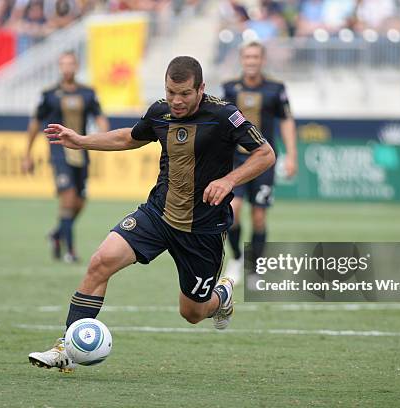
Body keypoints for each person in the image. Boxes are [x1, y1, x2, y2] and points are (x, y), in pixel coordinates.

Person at [28, 56, 275, 372]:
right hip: (158, 214)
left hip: (203, 229)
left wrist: (229, 180)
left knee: (193, 313)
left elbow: (265, 153)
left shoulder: (224, 115)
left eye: (185, 93)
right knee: (100, 262)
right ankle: (67, 346)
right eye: (171, 91)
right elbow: (129, 137)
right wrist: (81, 141)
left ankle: (221, 297)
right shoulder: (160, 111)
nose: (176, 100)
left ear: (201, 88)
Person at [221, 41, 297, 284]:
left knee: (259, 217)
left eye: (256, 57)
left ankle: (255, 268)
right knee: (232, 211)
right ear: (242, 60)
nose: (251, 61)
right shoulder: (229, 89)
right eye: (247, 57)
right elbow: (219, 123)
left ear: (262, 60)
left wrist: (292, 155)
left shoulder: (276, 89)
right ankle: (237, 259)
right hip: (235, 161)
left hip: (263, 162)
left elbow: (286, 121)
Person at [23, 51, 109, 263]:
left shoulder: (88, 93)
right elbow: (35, 123)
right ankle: (70, 251)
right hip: (59, 152)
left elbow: (100, 118)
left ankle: (57, 233)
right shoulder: (50, 94)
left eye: (71, 63)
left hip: (81, 151)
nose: (67, 67)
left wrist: (103, 138)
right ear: (60, 67)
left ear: (77, 66)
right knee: (69, 198)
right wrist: (27, 154)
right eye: (64, 64)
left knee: (80, 202)